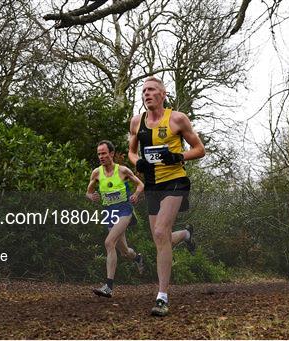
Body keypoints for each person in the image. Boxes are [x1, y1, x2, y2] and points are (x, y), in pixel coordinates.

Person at [128, 76, 205, 316]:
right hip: (152, 185)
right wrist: (138, 161)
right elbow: (130, 153)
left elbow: (200, 149)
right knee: (161, 240)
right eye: (143, 91)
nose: (146, 94)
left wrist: (179, 156)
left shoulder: (177, 119)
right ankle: (185, 234)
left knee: (161, 232)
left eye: (151, 90)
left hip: (175, 182)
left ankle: (162, 297)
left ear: (163, 94)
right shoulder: (136, 122)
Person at [86, 140, 145, 298]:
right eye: (99, 154)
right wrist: (92, 196)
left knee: (109, 242)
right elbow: (88, 192)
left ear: (111, 154)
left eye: (104, 153)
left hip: (124, 211)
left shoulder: (123, 171)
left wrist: (136, 194)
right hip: (109, 213)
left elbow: (140, 185)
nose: (101, 156)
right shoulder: (96, 173)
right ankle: (138, 258)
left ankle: (108, 287)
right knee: (124, 251)